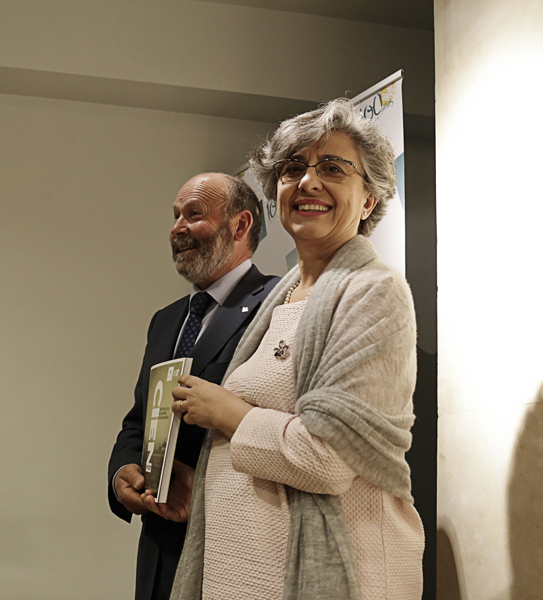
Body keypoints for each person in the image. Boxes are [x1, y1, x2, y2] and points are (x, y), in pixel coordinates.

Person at [167, 99, 424, 600]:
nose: (308, 182)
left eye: (331, 167)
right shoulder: (279, 298)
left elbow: (324, 458)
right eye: (292, 169)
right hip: (245, 574)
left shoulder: (372, 291)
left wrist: (227, 412)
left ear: (368, 199)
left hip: (336, 576)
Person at [108, 172, 279, 600]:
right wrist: (122, 474)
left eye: (194, 214)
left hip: (229, 545)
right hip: (158, 548)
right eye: (176, 216)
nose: (178, 228)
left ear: (240, 225)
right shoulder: (166, 320)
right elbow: (139, 421)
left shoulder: (277, 306)